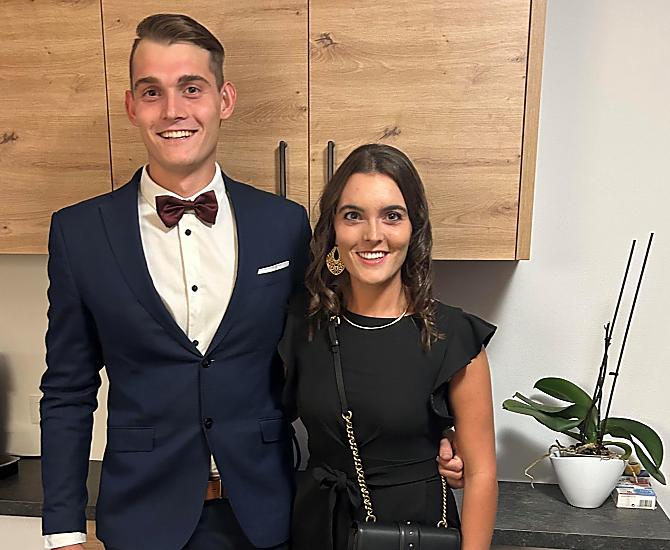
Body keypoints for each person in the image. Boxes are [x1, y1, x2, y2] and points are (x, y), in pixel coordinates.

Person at [39, 14, 464, 550]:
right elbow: (67, 391)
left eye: (192, 88)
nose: (172, 110)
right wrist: (63, 530)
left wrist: (435, 430)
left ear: (225, 100)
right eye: (152, 92)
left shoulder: (283, 225)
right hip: (140, 518)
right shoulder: (79, 233)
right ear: (131, 106)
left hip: (266, 516)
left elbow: (336, 349)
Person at [279, 144, 498, 550]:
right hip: (318, 526)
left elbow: (481, 474)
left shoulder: (452, 336)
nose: (372, 235)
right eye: (353, 216)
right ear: (333, 228)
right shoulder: (302, 324)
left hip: (414, 533)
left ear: (414, 228)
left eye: (392, 216)